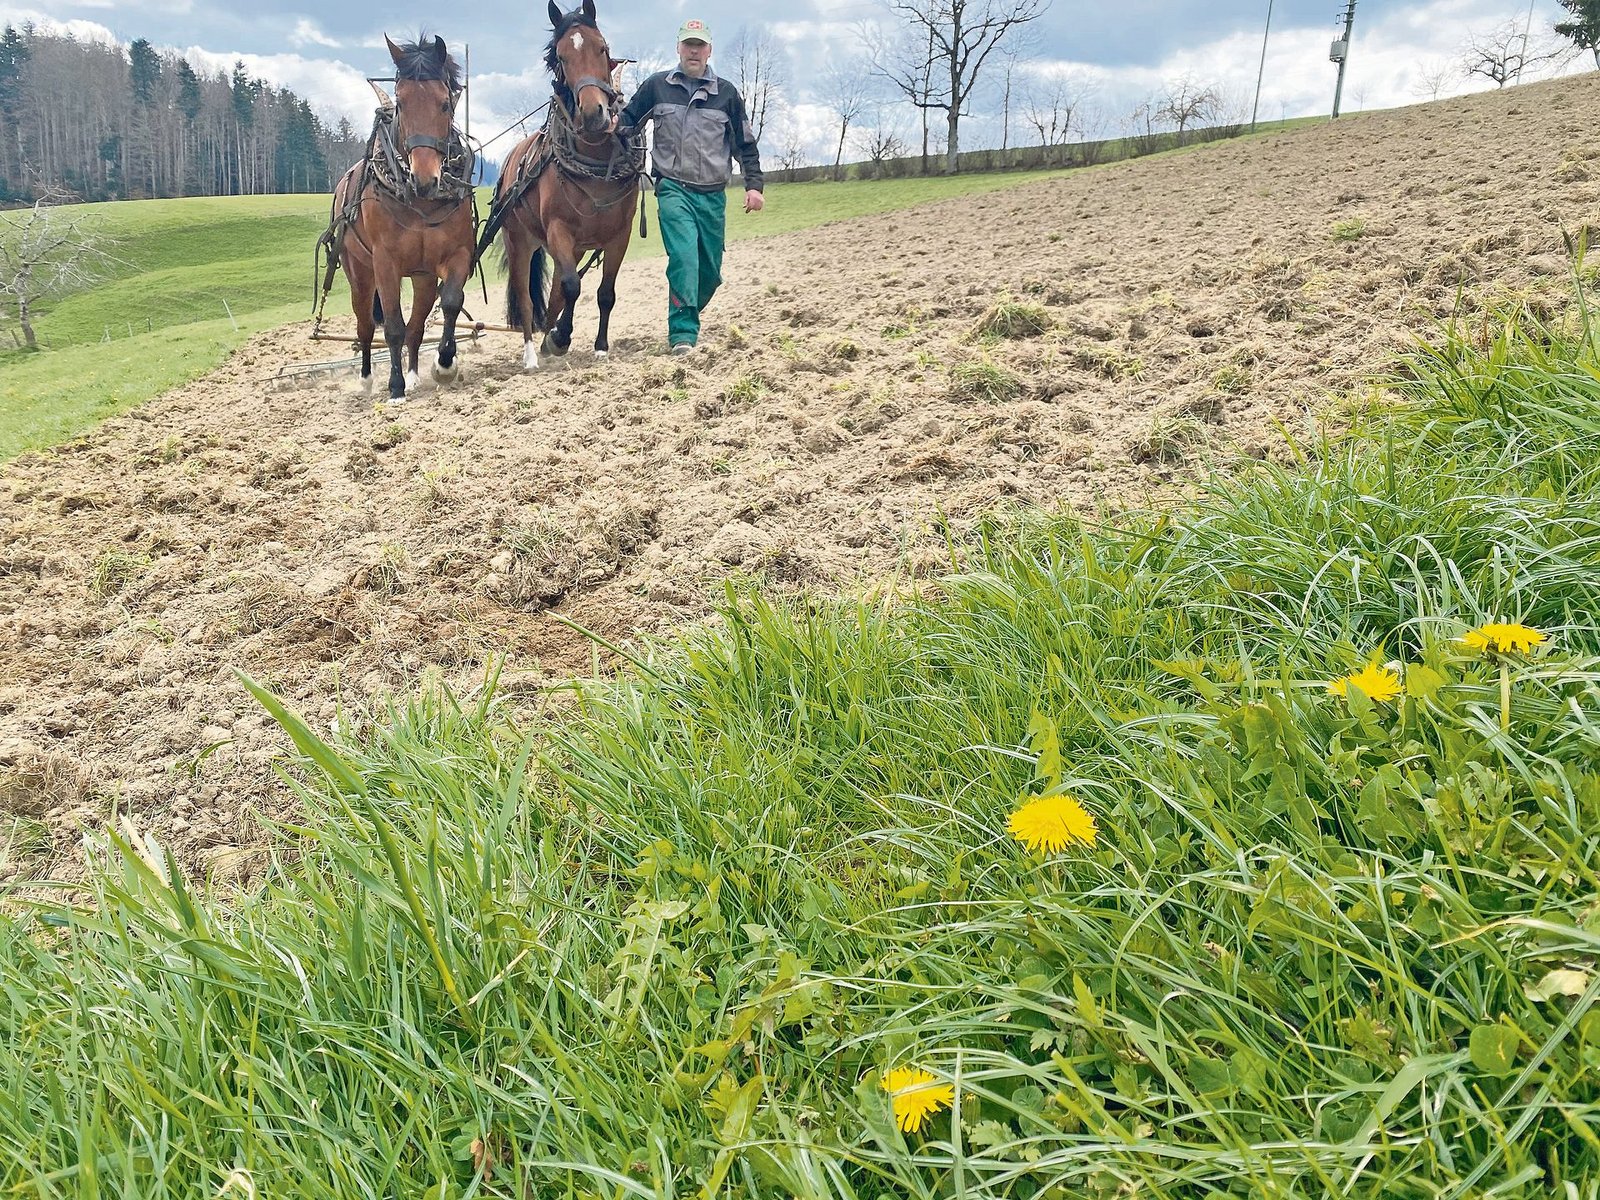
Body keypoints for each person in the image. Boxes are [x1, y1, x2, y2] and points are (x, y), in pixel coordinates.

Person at [614, 19, 765, 354]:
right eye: (688, 45)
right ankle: (682, 335)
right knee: (684, 259)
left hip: (712, 195)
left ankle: (687, 310)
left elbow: (745, 144)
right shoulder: (657, 86)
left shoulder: (727, 94)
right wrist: (609, 122)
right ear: (678, 48)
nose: (693, 51)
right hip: (673, 189)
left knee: (709, 273)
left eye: (700, 46)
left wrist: (754, 186)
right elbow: (627, 122)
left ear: (709, 51)